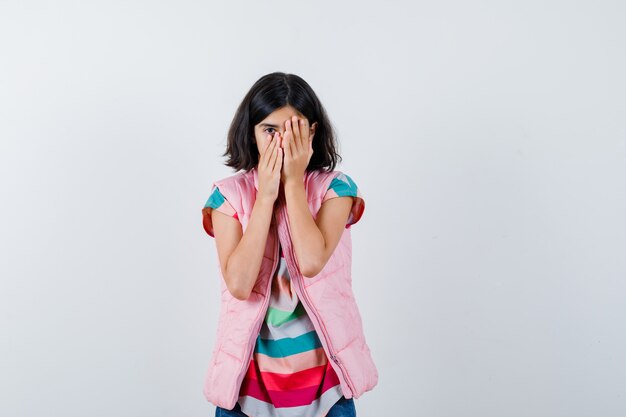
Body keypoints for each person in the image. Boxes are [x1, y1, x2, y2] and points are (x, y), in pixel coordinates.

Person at [201, 72, 378, 417]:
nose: (281, 142)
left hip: (326, 389)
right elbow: (239, 284)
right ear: (251, 135)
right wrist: (265, 195)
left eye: (294, 130)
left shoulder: (335, 189)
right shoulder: (227, 196)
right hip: (247, 391)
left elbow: (311, 260)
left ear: (312, 132)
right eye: (269, 131)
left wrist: (293, 183)